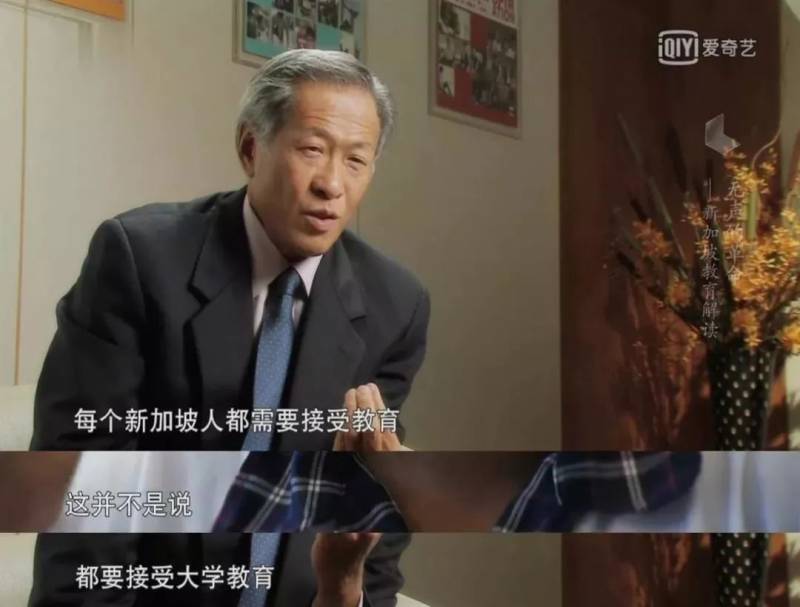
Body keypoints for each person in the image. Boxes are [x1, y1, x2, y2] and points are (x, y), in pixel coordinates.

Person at [29, 49, 430, 607]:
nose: (332, 184)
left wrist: (348, 587)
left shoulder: (395, 305)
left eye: (356, 160)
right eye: (312, 150)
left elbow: (373, 521)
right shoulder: (140, 261)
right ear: (250, 148)